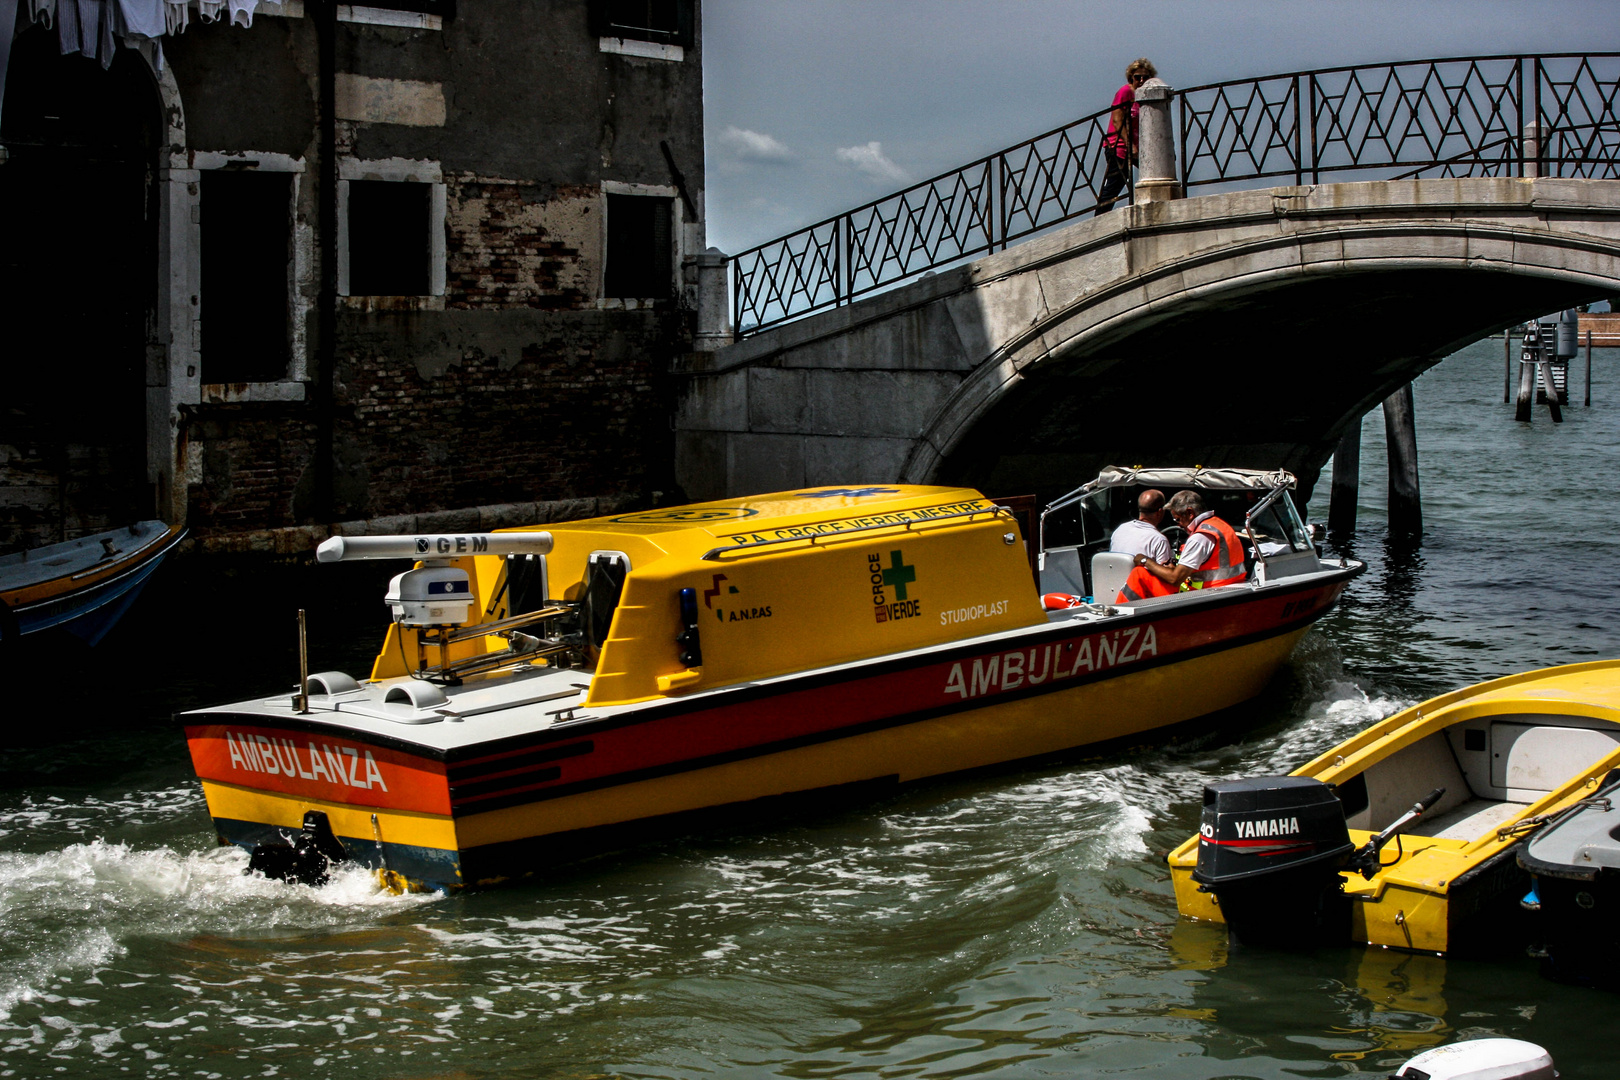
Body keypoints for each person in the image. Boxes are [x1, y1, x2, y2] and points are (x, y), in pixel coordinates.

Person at [1116, 489, 1247, 601]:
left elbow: (1175, 579)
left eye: (1177, 519)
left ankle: (1121, 619)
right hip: (1229, 589)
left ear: (1190, 513)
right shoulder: (1219, 525)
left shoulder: (1199, 538)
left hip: (1206, 596)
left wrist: (1145, 560)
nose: (1178, 524)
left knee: (1139, 574)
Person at [1096, 58, 1156, 215]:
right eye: (1138, 77)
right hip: (1119, 146)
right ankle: (1099, 218)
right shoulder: (1125, 92)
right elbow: (1117, 120)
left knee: (1155, 173)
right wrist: (1131, 146)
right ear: (1131, 77)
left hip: (1135, 147)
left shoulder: (1143, 96)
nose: (1141, 81)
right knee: (1115, 184)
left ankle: (1155, 206)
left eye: (1145, 77)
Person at [1109, 489, 1172, 564]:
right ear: (1160, 512)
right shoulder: (1159, 540)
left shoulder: (1120, 529)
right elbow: (1164, 573)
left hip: (1114, 575)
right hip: (1138, 576)